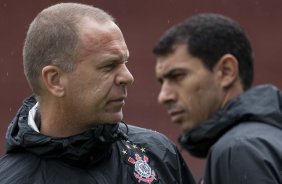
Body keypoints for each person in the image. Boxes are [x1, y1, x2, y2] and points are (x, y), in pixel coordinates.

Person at [0, 3, 196, 184]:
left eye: (124, 63)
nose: (128, 77)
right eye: (108, 66)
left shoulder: (158, 152)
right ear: (55, 80)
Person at [153, 13, 282, 184]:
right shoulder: (265, 139)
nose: (163, 96)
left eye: (177, 76)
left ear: (226, 71)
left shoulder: (238, 149)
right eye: (162, 82)